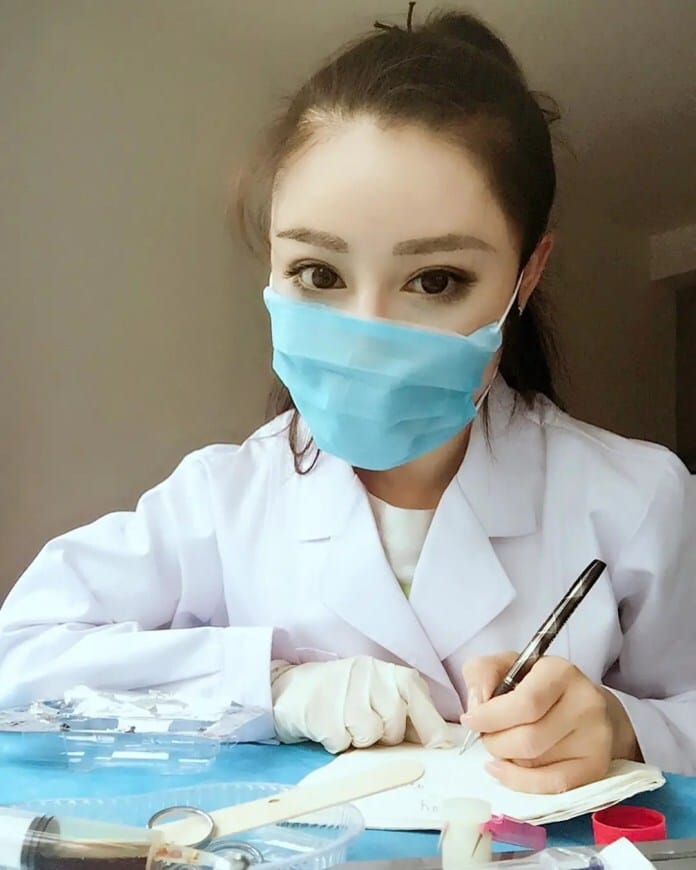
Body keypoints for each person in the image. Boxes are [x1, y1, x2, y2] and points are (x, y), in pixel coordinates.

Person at [0, 8, 694, 793]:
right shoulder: (222, 501)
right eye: (319, 274)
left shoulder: (637, 500)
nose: (367, 336)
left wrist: (623, 727)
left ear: (525, 277)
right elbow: (20, 655)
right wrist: (269, 686)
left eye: (436, 280)